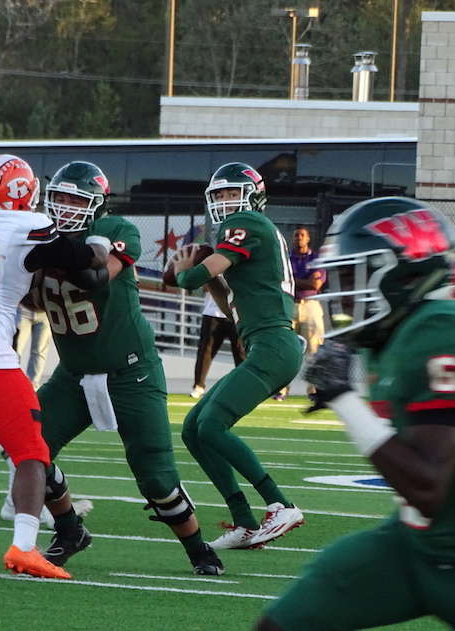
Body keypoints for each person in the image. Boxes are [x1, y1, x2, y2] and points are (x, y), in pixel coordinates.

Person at [254, 196, 455, 631]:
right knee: (281, 624)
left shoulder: (443, 325)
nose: (341, 290)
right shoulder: (387, 336)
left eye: (354, 273)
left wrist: (342, 398)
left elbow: (429, 485)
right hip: (413, 547)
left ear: (405, 273)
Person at [35, 161, 224, 576]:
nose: (64, 206)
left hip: (131, 373)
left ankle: (197, 548)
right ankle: (69, 529)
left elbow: (96, 277)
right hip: (72, 376)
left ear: (96, 205)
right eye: (60, 198)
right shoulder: (35, 233)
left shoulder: (117, 230)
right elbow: (33, 301)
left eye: (75, 199)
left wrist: (48, 255)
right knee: (30, 446)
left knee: (156, 477)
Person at [0, 153, 111, 578]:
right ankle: (24, 547)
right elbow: (83, 259)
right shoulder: (27, 226)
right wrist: (102, 248)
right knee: (32, 451)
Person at [172, 162, 304, 550]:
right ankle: (245, 522)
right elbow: (231, 308)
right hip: (265, 342)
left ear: (252, 195)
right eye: (221, 195)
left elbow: (190, 278)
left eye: (233, 193)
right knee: (194, 428)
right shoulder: (253, 236)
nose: (227, 202)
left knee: (212, 424)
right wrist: (209, 277)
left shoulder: (250, 222)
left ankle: (280, 503)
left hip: (274, 344)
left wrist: (184, 272)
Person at [274, 226, 324, 401]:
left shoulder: (316, 259)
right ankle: (281, 389)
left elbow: (315, 285)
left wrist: (295, 281)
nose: (299, 238)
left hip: (310, 305)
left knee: (314, 350)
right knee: (286, 349)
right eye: (296, 235)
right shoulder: (286, 259)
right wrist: (305, 281)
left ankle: (313, 390)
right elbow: (281, 281)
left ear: (308, 238)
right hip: (289, 305)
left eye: (302, 235)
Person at [191, 290, 246, 398]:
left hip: (236, 313)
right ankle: (198, 386)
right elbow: (205, 287)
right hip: (213, 313)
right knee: (206, 350)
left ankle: (244, 387)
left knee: (241, 352)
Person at [14, 294, 52, 389]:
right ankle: (13, 385)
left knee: (39, 352)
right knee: (15, 351)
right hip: (24, 310)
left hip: (45, 313)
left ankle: (32, 388)